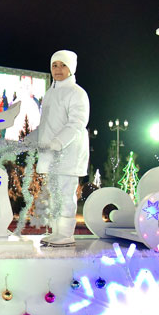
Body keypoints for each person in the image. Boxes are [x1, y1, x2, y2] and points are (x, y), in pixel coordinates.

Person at [34, 49, 89, 247]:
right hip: (50, 155)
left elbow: (77, 123)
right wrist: (31, 139)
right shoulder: (51, 93)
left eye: (62, 65)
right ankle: (57, 232)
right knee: (54, 194)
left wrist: (57, 143)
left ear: (71, 68)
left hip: (68, 155)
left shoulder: (77, 93)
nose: (58, 69)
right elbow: (46, 126)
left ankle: (66, 234)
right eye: (54, 65)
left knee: (65, 194)